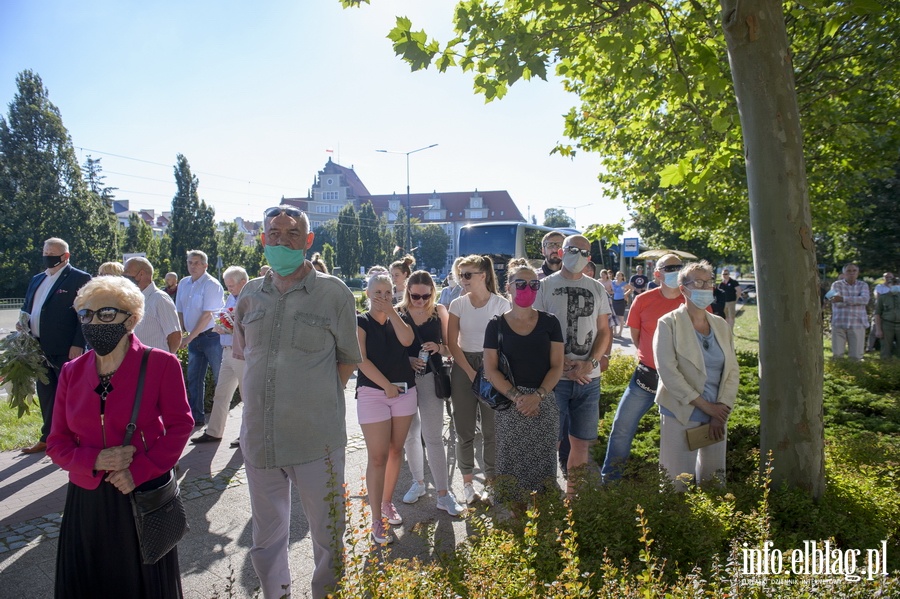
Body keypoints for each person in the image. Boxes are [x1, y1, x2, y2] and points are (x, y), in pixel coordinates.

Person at [233, 206, 361, 599]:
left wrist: (312, 397)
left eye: (293, 234)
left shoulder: (333, 292)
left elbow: (348, 359)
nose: (282, 240)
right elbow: (244, 354)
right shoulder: (250, 294)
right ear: (263, 239)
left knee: (327, 534)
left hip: (315, 440)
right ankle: (277, 594)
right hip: (259, 439)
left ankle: (327, 594)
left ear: (308, 241)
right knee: (266, 536)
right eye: (274, 232)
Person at [46, 275, 192, 597]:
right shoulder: (72, 372)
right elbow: (57, 441)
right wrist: (93, 459)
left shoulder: (161, 364)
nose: (94, 322)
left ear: (131, 318)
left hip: (141, 496)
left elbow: (181, 426)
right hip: (87, 500)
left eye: (106, 314)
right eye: (86, 314)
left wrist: (138, 471)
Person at [534, 235, 611, 497]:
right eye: (572, 249)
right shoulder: (543, 287)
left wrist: (590, 363)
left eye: (583, 252)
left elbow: (604, 331)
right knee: (550, 442)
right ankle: (545, 496)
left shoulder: (597, 288)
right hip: (555, 380)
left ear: (590, 258)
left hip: (589, 380)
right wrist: (561, 361)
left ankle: (572, 499)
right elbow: (536, 331)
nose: (577, 255)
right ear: (561, 251)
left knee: (581, 443)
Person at [601, 253, 690, 481]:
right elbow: (637, 338)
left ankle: (680, 486)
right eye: (671, 267)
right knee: (621, 428)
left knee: (680, 435)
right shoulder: (643, 301)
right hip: (646, 378)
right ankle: (611, 482)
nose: (677, 270)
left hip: (681, 381)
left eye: (680, 267)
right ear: (657, 273)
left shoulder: (692, 301)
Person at [484, 259, 564, 506]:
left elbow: (557, 366)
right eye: (521, 283)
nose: (527, 288)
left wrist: (537, 396)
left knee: (543, 467)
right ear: (508, 287)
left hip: (543, 402)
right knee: (512, 470)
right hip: (511, 406)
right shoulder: (495, 325)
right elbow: (490, 370)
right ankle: (516, 527)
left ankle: (544, 527)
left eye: (533, 284)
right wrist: (518, 398)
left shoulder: (550, 323)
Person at [653, 261, 738, 491]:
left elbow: (732, 371)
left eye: (709, 282)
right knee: (677, 483)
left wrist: (720, 409)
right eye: (698, 282)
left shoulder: (721, 325)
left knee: (714, 482)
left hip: (717, 414)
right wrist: (705, 406)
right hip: (681, 411)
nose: (705, 287)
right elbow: (668, 372)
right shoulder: (668, 323)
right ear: (683, 289)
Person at [356, 272, 417, 543]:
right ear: (367, 293)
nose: (382, 297)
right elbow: (360, 359)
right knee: (377, 456)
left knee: (396, 450)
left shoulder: (399, 318)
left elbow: (407, 341)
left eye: (387, 292)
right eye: (377, 292)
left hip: (405, 392)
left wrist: (392, 312)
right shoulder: (360, 321)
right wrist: (386, 386)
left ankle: (386, 502)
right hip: (372, 393)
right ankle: (376, 520)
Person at [398, 271, 466, 516]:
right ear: (408, 292)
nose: (420, 301)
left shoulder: (439, 312)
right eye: (415, 296)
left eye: (425, 296)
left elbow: (451, 347)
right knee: (410, 435)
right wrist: (408, 360)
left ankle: (443, 494)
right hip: (404, 381)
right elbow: (388, 351)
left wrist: (439, 347)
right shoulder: (398, 312)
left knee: (434, 436)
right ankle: (418, 483)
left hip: (430, 378)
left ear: (432, 293)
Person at [448, 254, 510, 504]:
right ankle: (467, 485)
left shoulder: (501, 304)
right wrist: (473, 373)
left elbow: (507, 343)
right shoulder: (457, 304)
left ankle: (492, 483)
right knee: (463, 430)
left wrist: (488, 371)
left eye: (467, 275)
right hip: (464, 366)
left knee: (491, 430)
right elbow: (452, 343)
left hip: (493, 365)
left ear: (482, 275)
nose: (462, 280)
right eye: (461, 275)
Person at [19, 237, 92, 454]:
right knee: (46, 393)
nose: (47, 255)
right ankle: (48, 436)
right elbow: (27, 307)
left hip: (66, 348)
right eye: (45, 251)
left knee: (70, 395)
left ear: (65, 256)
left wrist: (78, 343)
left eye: (52, 252)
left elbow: (85, 314)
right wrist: (23, 323)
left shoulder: (80, 278)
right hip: (38, 348)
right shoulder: (37, 279)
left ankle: (76, 437)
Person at [192, 266, 249, 444]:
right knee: (221, 393)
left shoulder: (249, 299)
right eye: (227, 285)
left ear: (243, 282)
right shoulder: (232, 298)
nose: (229, 288)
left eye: (231, 285)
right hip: (227, 351)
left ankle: (247, 435)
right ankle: (214, 431)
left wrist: (229, 328)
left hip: (241, 353)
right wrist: (220, 327)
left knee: (246, 395)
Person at [175, 250, 225, 426]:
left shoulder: (212, 284)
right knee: (194, 379)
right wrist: (181, 332)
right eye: (190, 262)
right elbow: (179, 310)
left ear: (206, 265)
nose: (193, 266)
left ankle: (220, 422)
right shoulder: (183, 283)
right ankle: (197, 418)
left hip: (211, 337)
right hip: (193, 338)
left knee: (221, 379)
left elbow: (206, 316)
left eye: (197, 263)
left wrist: (188, 338)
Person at [124, 257, 182, 353]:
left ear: (141, 274)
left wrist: (166, 361)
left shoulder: (160, 299)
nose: (123, 275)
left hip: (155, 364)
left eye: (127, 272)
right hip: (137, 362)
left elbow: (175, 335)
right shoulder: (134, 298)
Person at [829, 263, 870, 360]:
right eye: (848, 271)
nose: (851, 273)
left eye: (854, 271)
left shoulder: (863, 285)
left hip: (857, 323)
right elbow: (834, 300)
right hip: (839, 322)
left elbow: (865, 300)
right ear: (844, 273)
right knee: (837, 355)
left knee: (856, 356)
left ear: (858, 273)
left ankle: (856, 374)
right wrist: (856, 300)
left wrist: (842, 299)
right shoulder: (835, 284)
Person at [867, 272, 894, 352]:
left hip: (891, 312)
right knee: (874, 329)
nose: (888, 278)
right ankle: (869, 348)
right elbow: (878, 297)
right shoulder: (879, 287)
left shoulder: (895, 287)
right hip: (880, 310)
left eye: (890, 277)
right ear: (883, 278)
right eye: (886, 277)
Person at [874, 279, 900, 360]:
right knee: (885, 349)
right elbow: (877, 313)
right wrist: (878, 329)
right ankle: (885, 368)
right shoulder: (883, 297)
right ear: (888, 285)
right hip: (887, 325)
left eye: (897, 283)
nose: (895, 285)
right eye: (892, 283)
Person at [610, 271, 630, 336]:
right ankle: (614, 331)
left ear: (622, 277)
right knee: (614, 316)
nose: (618, 276)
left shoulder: (624, 283)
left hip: (621, 301)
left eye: (619, 275)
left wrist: (625, 294)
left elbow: (631, 288)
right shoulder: (613, 282)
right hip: (614, 300)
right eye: (617, 275)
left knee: (621, 317)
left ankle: (620, 332)